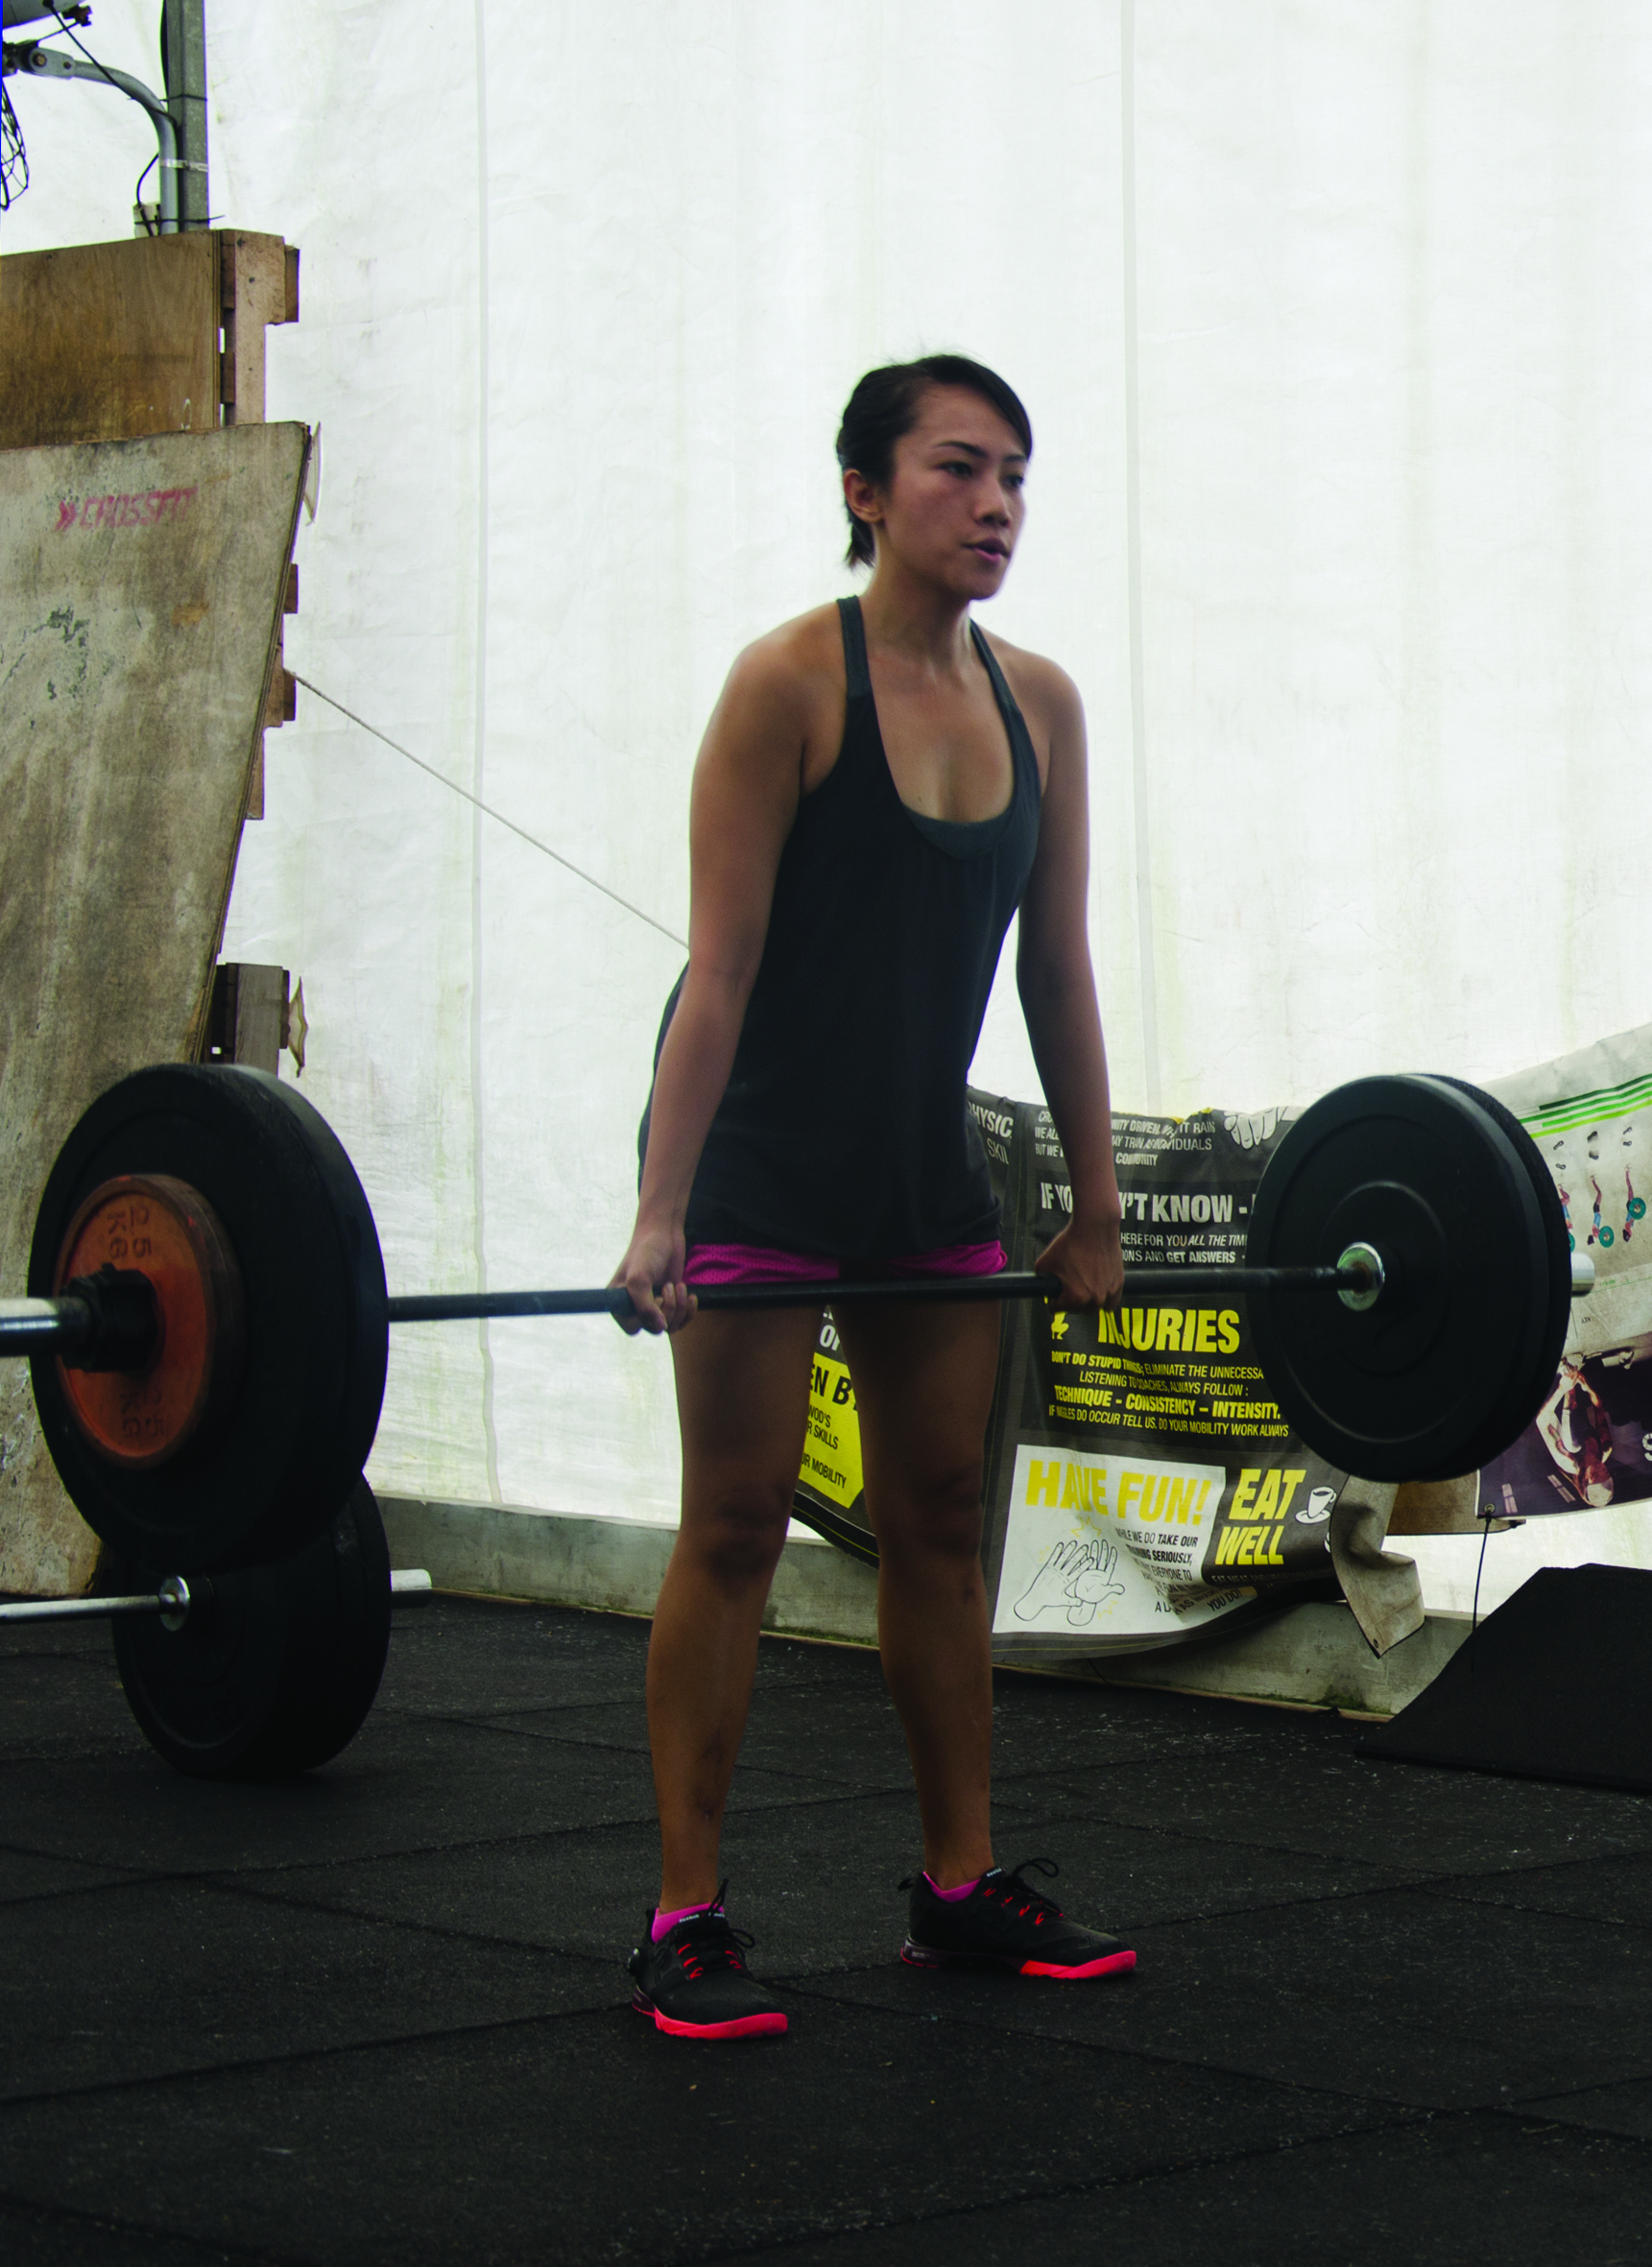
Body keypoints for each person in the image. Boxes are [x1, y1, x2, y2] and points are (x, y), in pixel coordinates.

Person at [612, 355, 1133, 2040]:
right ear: (866, 491)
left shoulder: (1040, 702)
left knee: (939, 1522)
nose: (995, 507)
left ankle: (959, 1887)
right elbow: (720, 970)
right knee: (737, 1524)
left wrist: (1098, 1201)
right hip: (759, 1165)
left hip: (926, 1175)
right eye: (958, 471)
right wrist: (660, 1213)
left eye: (1016, 480)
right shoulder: (786, 688)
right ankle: (683, 1914)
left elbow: (1056, 970)